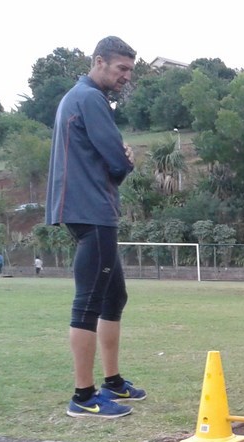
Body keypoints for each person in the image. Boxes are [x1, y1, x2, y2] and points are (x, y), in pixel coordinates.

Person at [47, 36, 145, 419]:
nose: (126, 76)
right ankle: (84, 396)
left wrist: (120, 160)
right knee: (89, 301)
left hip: (82, 208)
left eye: (130, 70)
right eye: (121, 68)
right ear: (99, 61)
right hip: (92, 210)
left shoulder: (75, 98)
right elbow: (117, 162)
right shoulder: (91, 98)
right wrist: (128, 161)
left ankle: (113, 381)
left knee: (113, 296)